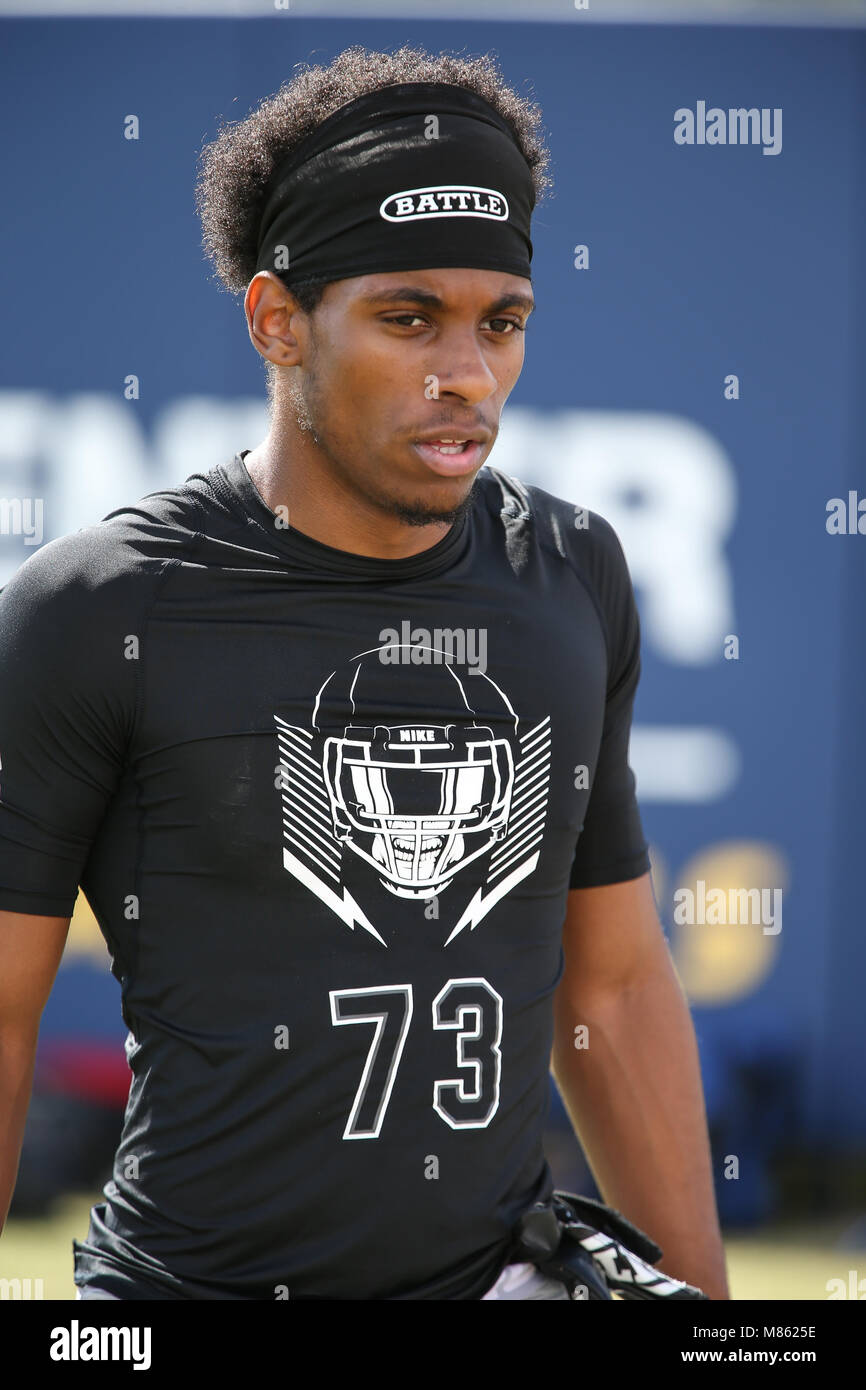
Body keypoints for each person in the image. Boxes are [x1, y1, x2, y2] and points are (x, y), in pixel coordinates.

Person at [0, 45, 729, 1301]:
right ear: (278, 320)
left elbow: (603, 980)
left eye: (501, 323)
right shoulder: (96, 606)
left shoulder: (569, 571)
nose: (468, 376)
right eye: (408, 317)